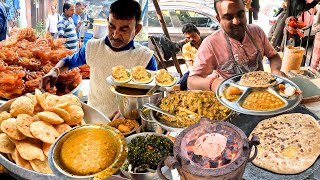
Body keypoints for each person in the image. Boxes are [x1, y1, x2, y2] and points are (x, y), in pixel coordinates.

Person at [40, 0, 157, 117]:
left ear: (137, 29)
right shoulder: (92, 47)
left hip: (128, 125)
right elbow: (68, 61)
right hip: (93, 118)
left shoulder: (145, 57)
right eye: (112, 27)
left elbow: (153, 95)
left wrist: (131, 113)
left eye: (124, 29)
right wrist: (55, 71)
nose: (115, 35)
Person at [188, 0, 285, 92]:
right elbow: (191, 81)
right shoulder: (211, 44)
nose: (236, 21)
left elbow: (273, 56)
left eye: (240, 14)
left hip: (263, 91)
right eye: (228, 17)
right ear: (218, 19)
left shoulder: (257, 31)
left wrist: (275, 70)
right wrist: (213, 83)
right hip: (233, 97)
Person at [178, 23, 202, 90]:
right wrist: (194, 74)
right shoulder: (186, 47)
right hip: (194, 70)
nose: (191, 39)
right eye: (188, 38)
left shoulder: (207, 43)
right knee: (179, 86)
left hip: (209, 70)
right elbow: (189, 64)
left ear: (199, 33)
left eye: (193, 36)